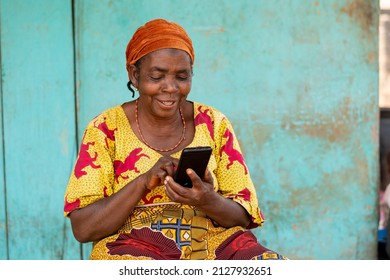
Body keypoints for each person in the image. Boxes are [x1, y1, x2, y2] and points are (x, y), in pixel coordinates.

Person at [64, 18, 287, 260]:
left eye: (181, 77)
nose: (170, 87)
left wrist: (207, 199)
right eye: (157, 76)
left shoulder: (213, 122)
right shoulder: (105, 129)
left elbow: (243, 216)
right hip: (134, 245)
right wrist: (143, 182)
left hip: (211, 243)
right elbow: (83, 228)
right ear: (135, 75)